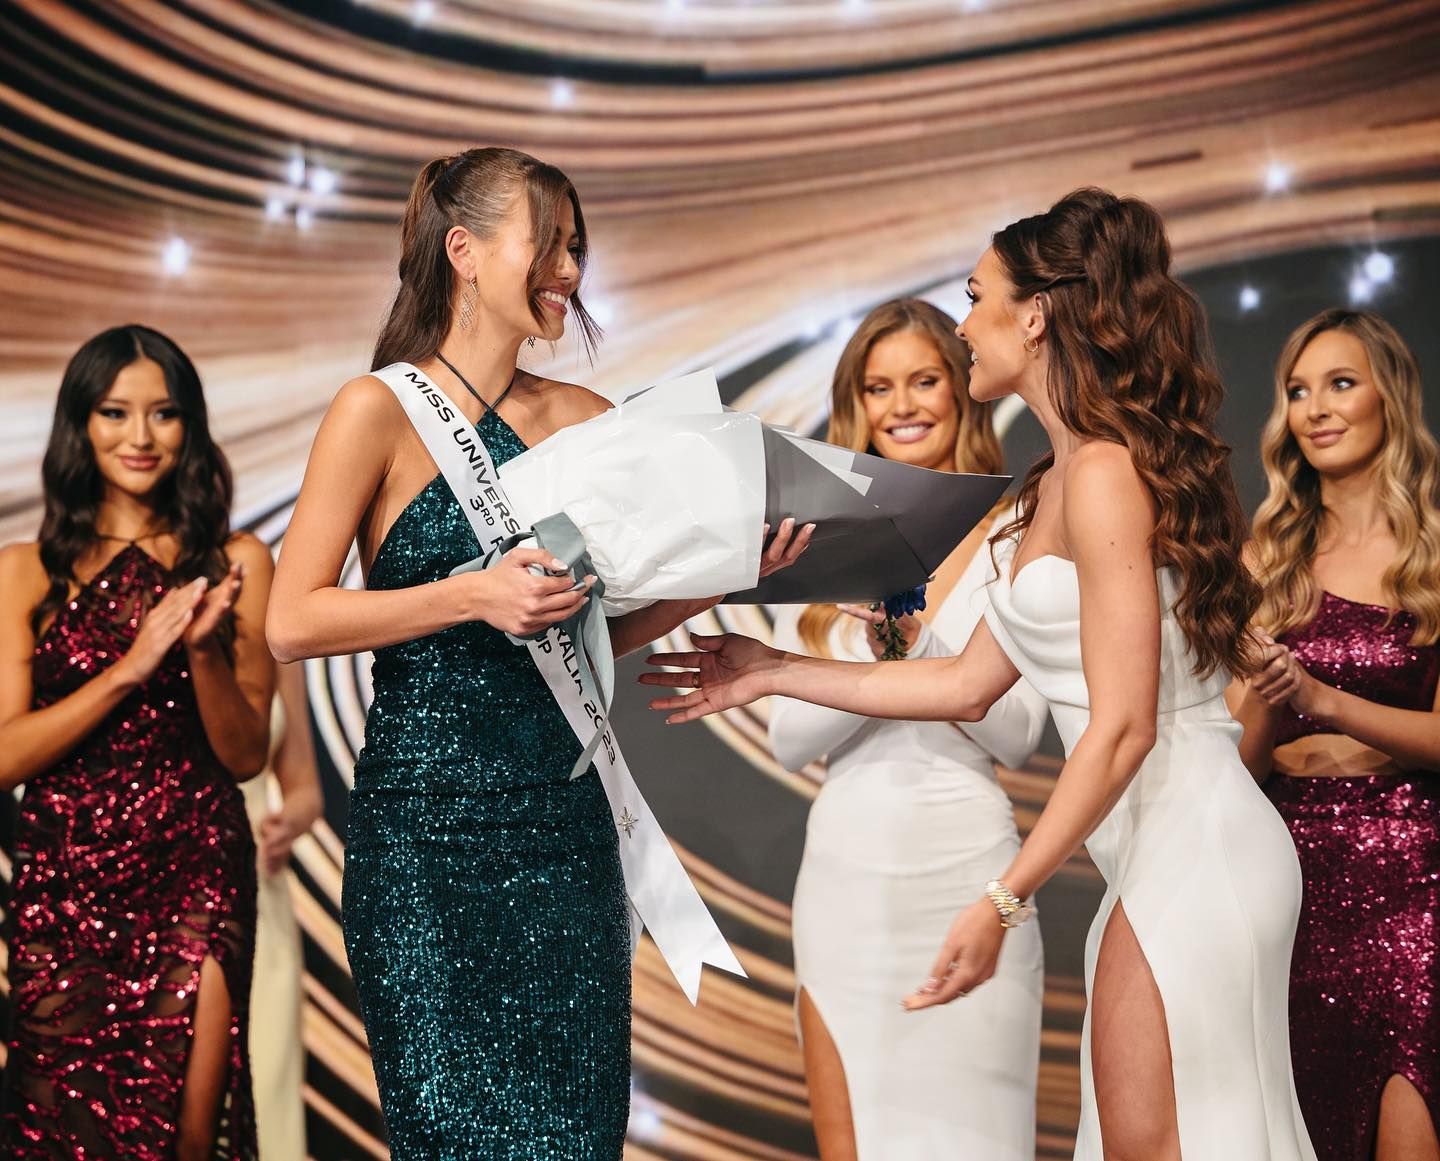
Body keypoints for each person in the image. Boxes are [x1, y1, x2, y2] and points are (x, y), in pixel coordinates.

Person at [643, 188, 1319, 1161]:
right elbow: (965, 683)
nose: (963, 325)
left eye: (974, 297)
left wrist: (1002, 897)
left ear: (1034, 316)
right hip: (1150, 851)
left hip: (1199, 840)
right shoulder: (1058, 480)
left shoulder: (1104, 472)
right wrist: (771, 667)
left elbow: (1125, 726)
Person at [265, 146, 809, 1159]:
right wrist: (472, 593)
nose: (568, 269)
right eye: (549, 243)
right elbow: (291, 620)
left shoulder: (588, 423)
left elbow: (592, 630)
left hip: (564, 839)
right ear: (463, 252)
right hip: (425, 843)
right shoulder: (376, 410)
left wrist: (728, 574)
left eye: (577, 249)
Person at [768, 298, 1047, 1159]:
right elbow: (789, 740)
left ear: (962, 387)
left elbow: (1016, 735)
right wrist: (868, 644)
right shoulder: (816, 538)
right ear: (857, 404)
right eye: (879, 387)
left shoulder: (1018, 534)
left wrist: (920, 640)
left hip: (971, 882)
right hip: (846, 894)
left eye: (924, 379)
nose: (903, 405)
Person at [0, 325, 274, 1160]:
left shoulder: (236, 561)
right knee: (65, 1136)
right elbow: (5, 756)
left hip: (195, 864)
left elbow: (247, 755)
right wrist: (128, 670)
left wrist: (200, 650)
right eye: (115, 412)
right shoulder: (23, 569)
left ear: (190, 424)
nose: (141, 436)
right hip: (64, 882)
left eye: (164, 412)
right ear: (80, 424)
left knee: (189, 1137)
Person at [1228, 309, 1440, 1161]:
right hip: (1286, 875)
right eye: (1297, 391)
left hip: (1411, 874)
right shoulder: (1266, 560)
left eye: (1340, 384)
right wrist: (1267, 700)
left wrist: (1325, 699)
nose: (1315, 408)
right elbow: (1237, 767)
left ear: (1389, 396)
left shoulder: (1433, 553)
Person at [242, 659, 323, 1160]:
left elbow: (305, 791)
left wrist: (286, 824)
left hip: (256, 910)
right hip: (142, 902)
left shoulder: (270, 629)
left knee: (263, 1112)